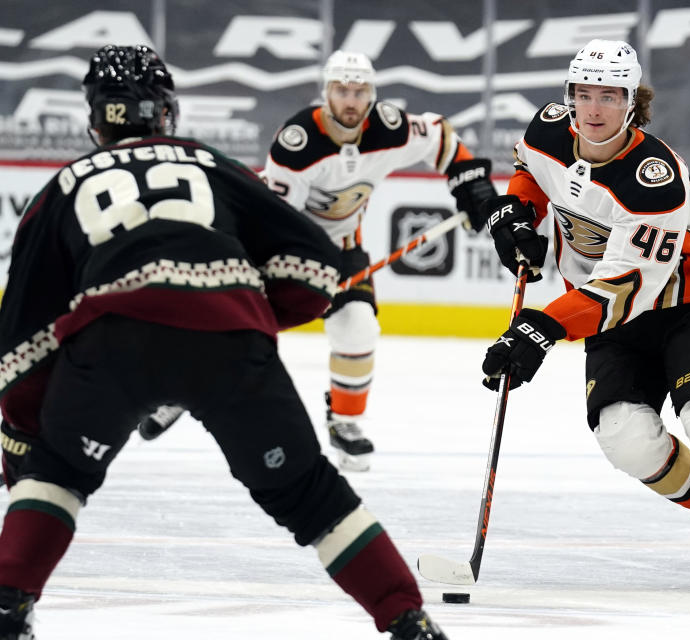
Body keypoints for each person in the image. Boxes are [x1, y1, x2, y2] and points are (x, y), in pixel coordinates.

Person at [0, 45, 447, 640]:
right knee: (309, 494)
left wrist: (24, 443)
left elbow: (22, 334)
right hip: (229, 342)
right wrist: (253, 316)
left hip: (112, 345)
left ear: (95, 118)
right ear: (166, 113)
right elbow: (315, 263)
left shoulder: (59, 190)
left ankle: (7, 605)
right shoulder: (211, 165)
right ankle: (406, 619)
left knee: (55, 475)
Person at [476, 39, 690, 591]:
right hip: (608, 319)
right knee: (624, 438)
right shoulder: (549, 129)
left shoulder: (655, 179)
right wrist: (517, 213)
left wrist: (542, 328)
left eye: (608, 95)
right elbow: (531, 169)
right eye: (583, 93)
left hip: (683, 301)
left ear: (633, 102)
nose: (593, 107)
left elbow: (623, 289)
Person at [141, 50, 498, 472]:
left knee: (358, 327)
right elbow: (274, 222)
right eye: (342, 90)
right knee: (240, 322)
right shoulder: (298, 143)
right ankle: (180, 386)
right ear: (326, 92)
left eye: (359, 91)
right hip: (283, 247)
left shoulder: (390, 127)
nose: (350, 100)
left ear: (372, 94)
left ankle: (345, 422)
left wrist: (471, 185)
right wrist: (296, 274)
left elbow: (439, 135)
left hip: (344, 248)